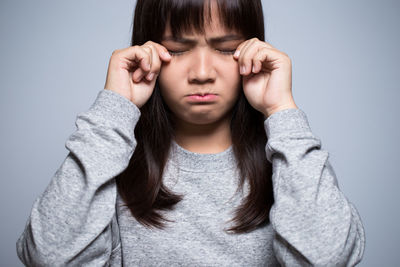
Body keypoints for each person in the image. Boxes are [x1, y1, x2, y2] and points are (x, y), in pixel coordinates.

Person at [16, 0, 366, 266]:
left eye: (227, 49)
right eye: (178, 50)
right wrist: (114, 109)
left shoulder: (289, 168)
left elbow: (331, 258)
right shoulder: (110, 165)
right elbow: (47, 256)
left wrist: (282, 111)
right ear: (146, 52)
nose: (201, 72)